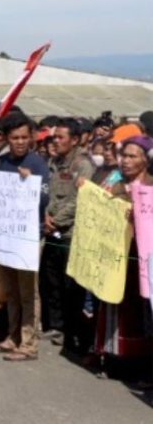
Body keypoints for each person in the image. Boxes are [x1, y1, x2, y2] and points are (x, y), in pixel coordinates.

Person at [0, 113, 50, 362]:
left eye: (25, 137)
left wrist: (28, 182)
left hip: (29, 236)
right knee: (9, 289)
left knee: (27, 292)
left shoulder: (37, 163)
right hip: (6, 234)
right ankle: (12, 336)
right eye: (15, 138)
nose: (20, 142)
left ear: (31, 137)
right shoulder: (2, 161)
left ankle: (29, 343)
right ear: (6, 138)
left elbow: (44, 198)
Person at [94, 136, 153, 375]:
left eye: (132, 156)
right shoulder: (114, 184)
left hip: (142, 261)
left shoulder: (150, 188)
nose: (126, 161)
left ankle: (142, 366)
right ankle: (114, 358)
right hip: (115, 258)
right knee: (113, 308)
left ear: (145, 160)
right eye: (124, 156)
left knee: (142, 313)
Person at [42, 118, 95, 351]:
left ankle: (72, 332)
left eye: (60, 137)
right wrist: (46, 216)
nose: (56, 141)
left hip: (70, 233)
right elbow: (49, 194)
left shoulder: (83, 165)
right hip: (51, 230)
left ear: (74, 140)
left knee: (70, 286)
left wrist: (57, 221)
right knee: (50, 280)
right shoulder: (54, 162)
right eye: (54, 137)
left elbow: (79, 200)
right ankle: (56, 325)